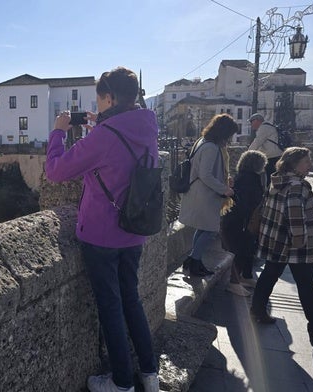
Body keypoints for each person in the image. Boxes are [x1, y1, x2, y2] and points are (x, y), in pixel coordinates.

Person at [45, 67, 159, 392]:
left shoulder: (105, 136)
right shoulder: (147, 127)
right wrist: (103, 126)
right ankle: (150, 374)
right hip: (135, 230)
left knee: (110, 307)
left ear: (108, 98)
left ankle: (122, 383)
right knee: (131, 300)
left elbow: (56, 171)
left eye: (99, 99)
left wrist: (58, 133)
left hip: (102, 235)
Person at [250, 147, 313, 344]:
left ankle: (257, 309)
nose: (310, 165)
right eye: (306, 161)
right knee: (307, 285)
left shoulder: (278, 180)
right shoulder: (296, 187)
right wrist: (300, 243)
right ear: (294, 164)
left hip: (276, 239)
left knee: (269, 275)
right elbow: (295, 218)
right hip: (293, 245)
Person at [179, 114, 238, 277]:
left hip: (201, 193)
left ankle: (194, 262)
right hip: (204, 195)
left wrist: (224, 180)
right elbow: (205, 174)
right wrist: (224, 189)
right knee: (210, 229)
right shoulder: (211, 147)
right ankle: (193, 261)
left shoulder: (202, 142)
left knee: (204, 228)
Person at [221, 150, 267, 296]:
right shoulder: (250, 180)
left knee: (246, 250)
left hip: (239, 220)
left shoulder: (244, 177)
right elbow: (247, 203)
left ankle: (245, 277)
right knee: (241, 251)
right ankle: (234, 283)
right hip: (242, 221)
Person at [248, 113, 283, 186]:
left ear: (257, 120)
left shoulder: (264, 128)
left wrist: (247, 154)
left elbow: (257, 142)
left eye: (252, 122)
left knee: (271, 178)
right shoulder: (268, 127)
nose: (251, 124)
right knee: (273, 177)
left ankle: (270, 194)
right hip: (276, 155)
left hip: (272, 157)